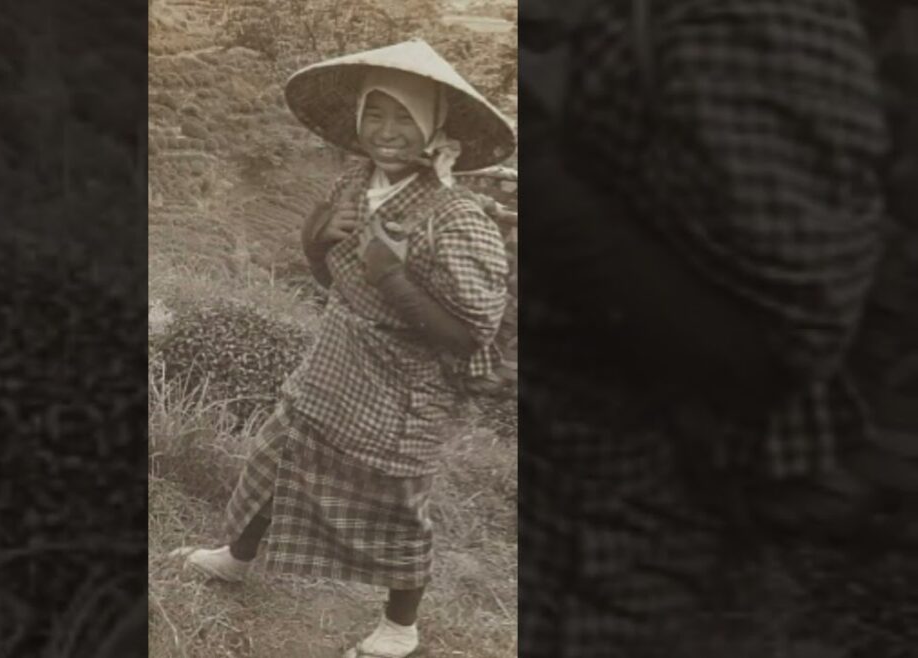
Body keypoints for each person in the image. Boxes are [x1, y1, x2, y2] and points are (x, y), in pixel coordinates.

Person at [521, 0, 891, 655]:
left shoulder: (757, 21)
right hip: (551, 512)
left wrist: (538, 173)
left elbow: (773, 345)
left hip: (626, 551)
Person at [170, 39, 515, 658]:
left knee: (397, 506)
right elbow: (337, 281)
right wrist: (314, 242)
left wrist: (392, 275)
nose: (387, 132)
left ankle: (400, 628)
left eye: (404, 118)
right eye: (374, 115)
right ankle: (236, 559)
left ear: (434, 127)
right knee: (279, 455)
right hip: (336, 359)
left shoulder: (457, 216)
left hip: (407, 388)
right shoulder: (357, 181)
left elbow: (471, 334)